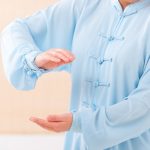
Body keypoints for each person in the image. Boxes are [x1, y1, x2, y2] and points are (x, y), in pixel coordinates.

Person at [1, 0, 150, 149]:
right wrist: (33, 59)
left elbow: (145, 103)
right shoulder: (85, 6)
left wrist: (81, 122)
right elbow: (15, 30)